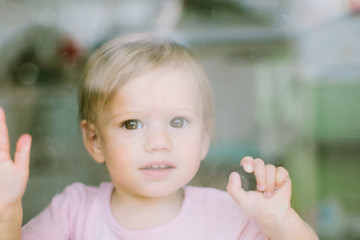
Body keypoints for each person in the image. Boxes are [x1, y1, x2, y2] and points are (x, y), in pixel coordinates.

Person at [0, 33, 319, 240]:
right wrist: (7, 212)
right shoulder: (73, 212)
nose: (158, 142)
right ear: (95, 141)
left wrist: (280, 221)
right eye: (132, 124)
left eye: (178, 122)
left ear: (205, 138)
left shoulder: (229, 217)